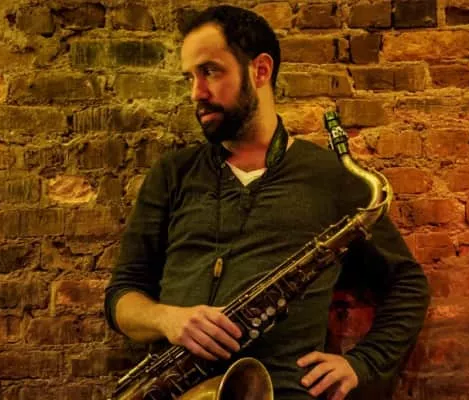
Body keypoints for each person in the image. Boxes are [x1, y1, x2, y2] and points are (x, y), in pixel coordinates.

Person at [104, 5, 429, 400]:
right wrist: (166, 319)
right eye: (190, 76)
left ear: (260, 70)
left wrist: (363, 364)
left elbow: (407, 284)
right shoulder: (173, 173)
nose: (196, 92)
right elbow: (122, 296)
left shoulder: (331, 177)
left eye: (210, 71)